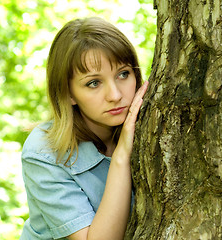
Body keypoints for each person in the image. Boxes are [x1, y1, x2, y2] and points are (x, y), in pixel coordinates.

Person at [20, 17, 149, 239]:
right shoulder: (44, 152)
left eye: (123, 74)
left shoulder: (153, 126)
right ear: (68, 93)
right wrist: (121, 157)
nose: (115, 95)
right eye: (93, 83)